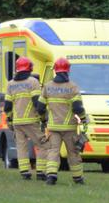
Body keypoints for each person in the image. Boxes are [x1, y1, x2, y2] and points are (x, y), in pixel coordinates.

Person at [35, 57, 86, 185]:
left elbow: (40, 108)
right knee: (73, 153)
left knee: (53, 151)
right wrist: (84, 119)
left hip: (53, 127)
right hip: (69, 127)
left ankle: (51, 176)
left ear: (56, 71)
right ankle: (78, 178)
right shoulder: (73, 87)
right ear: (68, 71)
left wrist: (43, 120)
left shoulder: (47, 87)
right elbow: (77, 108)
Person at [3, 56, 43, 180]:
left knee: (21, 147)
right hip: (31, 120)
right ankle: (41, 172)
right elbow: (37, 102)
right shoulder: (33, 82)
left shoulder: (11, 84)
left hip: (17, 122)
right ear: (29, 68)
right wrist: (43, 116)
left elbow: (7, 106)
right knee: (42, 144)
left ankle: (25, 172)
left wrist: (9, 119)